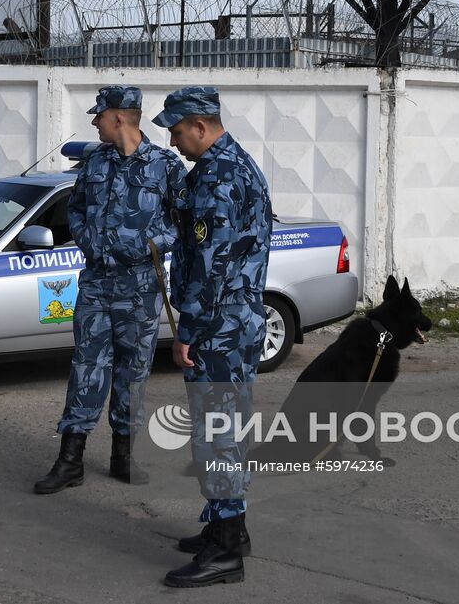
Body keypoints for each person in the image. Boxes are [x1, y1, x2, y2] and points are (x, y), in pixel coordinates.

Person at [34, 85, 186, 494]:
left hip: (141, 287)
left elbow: (185, 223)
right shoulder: (95, 161)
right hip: (97, 284)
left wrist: (149, 244)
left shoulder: (164, 166)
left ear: (119, 117)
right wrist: (86, 238)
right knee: (86, 366)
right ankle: (70, 460)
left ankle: (123, 454)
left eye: (99, 115)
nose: (94, 121)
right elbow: (76, 208)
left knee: (133, 372)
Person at [152, 86, 272, 589]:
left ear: (200, 126)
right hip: (235, 323)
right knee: (225, 428)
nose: (176, 143)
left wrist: (191, 333)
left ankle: (225, 550)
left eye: (179, 133)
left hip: (218, 329)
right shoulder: (235, 166)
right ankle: (229, 529)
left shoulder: (220, 178)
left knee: (217, 434)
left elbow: (211, 265)